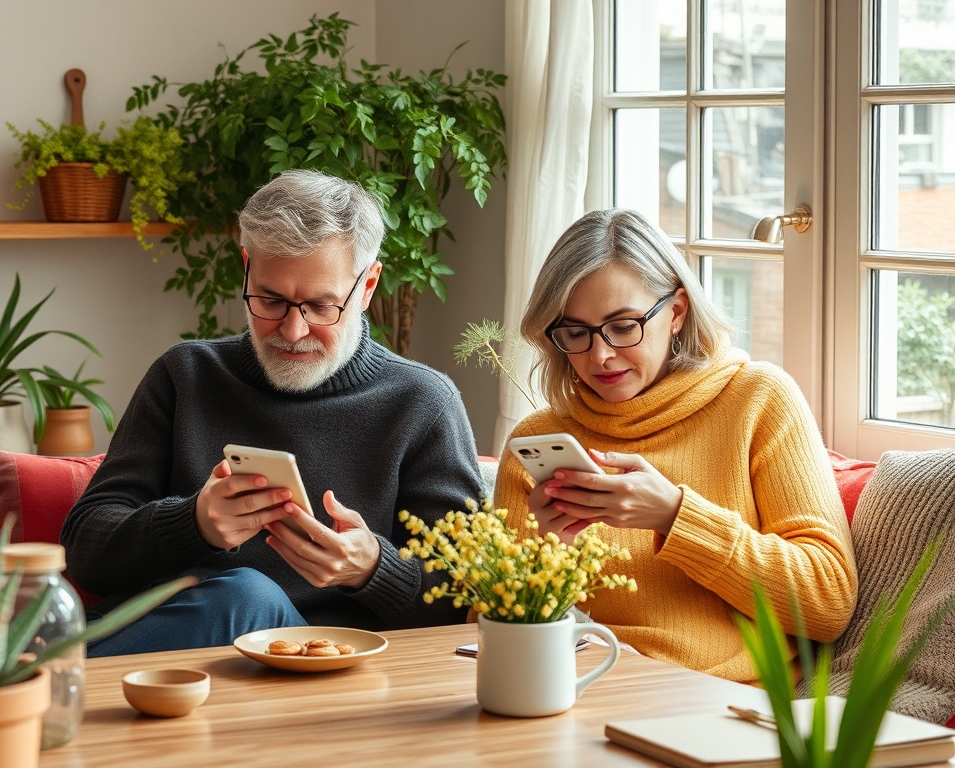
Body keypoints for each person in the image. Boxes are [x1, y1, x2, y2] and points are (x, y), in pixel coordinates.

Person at [62, 170, 482, 656]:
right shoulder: (186, 376)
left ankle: (35, 688)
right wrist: (193, 524)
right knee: (243, 597)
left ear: (367, 286)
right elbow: (84, 554)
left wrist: (371, 569)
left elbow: (463, 600)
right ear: (247, 269)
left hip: (326, 673)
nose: (293, 330)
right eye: (270, 300)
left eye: (321, 306)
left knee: (250, 596)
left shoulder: (422, 403)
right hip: (178, 655)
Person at [492, 208, 857, 684]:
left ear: (677, 313)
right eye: (575, 333)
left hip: (719, 700)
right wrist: (547, 552)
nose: (600, 355)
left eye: (624, 326)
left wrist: (676, 517)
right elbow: (487, 636)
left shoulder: (758, 400)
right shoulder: (536, 441)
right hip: (581, 690)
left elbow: (827, 602)